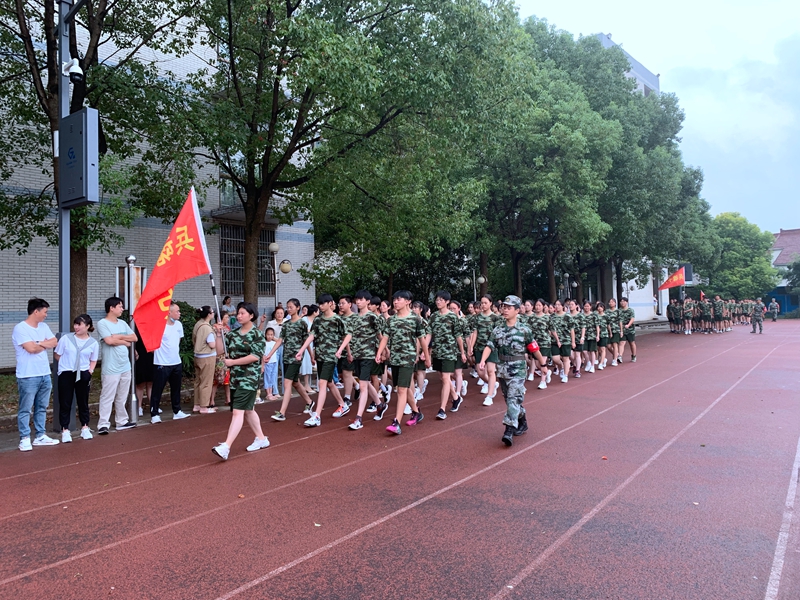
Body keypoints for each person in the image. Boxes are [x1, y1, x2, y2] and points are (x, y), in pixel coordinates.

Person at [478, 295, 541, 447]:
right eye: (504, 307)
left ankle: (509, 430)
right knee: (510, 400)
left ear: (517, 310)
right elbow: (490, 345)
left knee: (513, 399)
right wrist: (482, 360)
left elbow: (533, 347)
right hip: (503, 369)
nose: (505, 310)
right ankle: (522, 421)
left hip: (518, 369)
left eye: (509, 307)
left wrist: (543, 364)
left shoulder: (524, 330)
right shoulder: (498, 329)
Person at [212, 302, 270, 460]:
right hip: (235, 378)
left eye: (243, 313)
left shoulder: (257, 335)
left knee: (238, 412)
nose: (239, 315)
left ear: (251, 315)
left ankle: (226, 446)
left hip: (249, 378)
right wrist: (218, 335)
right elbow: (219, 351)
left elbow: (255, 357)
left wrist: (233, 362)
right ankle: (262, 438)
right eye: (238, 313)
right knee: (249, 410)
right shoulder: (232, 334)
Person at [375, 290, 429, 435]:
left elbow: (422, 339)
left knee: (401, 390)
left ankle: (396, 422)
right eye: (394, 299)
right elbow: (385, 337)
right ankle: (417, 413)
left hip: (408, 358)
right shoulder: (391, 320)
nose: (395, 302)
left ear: (408, 301)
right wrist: (379, 352)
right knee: (401, 387)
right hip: (395, 358)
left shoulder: (415, 319)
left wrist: (427, 357)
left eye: (399, 299)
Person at [296, 294, 352, 427]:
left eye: (323, 303)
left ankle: (316, 416)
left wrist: (341, 350)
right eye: (319, 304)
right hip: (320, 355)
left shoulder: (337, 319)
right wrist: (301, 350)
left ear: (330, 303)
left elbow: (348, 335)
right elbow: (312, 336)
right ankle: (343, 405)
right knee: (329, 383)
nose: (320, 306)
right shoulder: (318, 320)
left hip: (331, 356)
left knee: (322, 383)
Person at [13, 298, 60, 451]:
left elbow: (54, 342)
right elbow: (30, 349)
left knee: (42, 407)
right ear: (36, 311)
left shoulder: (44, 326)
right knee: (25, 408)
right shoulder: (20, 328)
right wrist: (42, 344)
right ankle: (25, 438)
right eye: (45, 312)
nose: (46, 315)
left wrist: (38, 343)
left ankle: (40, 435)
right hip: (27, 375)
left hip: (45, 373)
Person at [268, 298, 315, 421]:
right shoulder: (286, 324)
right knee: (295, 382)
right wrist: (270, 354)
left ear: (298, 308)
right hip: (286, 356)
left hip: (297, 357)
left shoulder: (302, 323)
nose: (288, 309)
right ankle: (309, 402)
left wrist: (311, 356)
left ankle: (282, 412)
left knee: (287, 382)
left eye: (291, 307)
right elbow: (280, 340)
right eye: (287, 307)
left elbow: (307, 341)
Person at [97, 296, 138, 435]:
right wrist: (125, 342)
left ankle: (122, 421)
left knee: (122, 395)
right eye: (120, 306)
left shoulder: (122, 323)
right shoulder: (102, 323)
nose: (122, 309)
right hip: (111, 367)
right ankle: (103, 424)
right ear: (111, 308)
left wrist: (118, 337)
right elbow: (109, 341)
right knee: (107, 395)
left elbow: (134, 338)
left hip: (125, 365)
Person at [54, 314, 99, 442]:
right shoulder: (66, 339)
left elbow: (93, 359)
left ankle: (85, 427)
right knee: (65, 401)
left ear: (88, 326)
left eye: (79, 324)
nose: (76, 327)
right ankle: (65, 430)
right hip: (67, 372)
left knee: (83, 401)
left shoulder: (93, 343)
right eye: (75, 324)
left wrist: (90, 371)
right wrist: (66, 364)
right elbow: (57, 354)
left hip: (83, 373)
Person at [348, 290, 385, 430]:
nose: (358, 302)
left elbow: (380, 336)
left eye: (361, 299)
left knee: (363, 386)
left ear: (368, 301)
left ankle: (358, 418)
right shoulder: (354, 318)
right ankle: (380, 404)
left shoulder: (372, 317)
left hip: (368, 355)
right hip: (357, 355)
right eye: (357, 299)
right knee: (365, 382)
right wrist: (349, 352)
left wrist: (383, 351)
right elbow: (350, 336)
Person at [150, 301, 191, 423]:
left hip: (176, 362)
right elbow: (152, 345)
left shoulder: (178, 325)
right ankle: (154, 413)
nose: (179, 313)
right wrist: (160, 355)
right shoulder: (159, 326)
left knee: (176, 388)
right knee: (158, 389)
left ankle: (177, 411)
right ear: (169, 312)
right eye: (177, 311)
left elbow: (177, 341)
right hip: (162, 363)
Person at [428, 290, 465, 419]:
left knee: (445, 378)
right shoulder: (433, 316)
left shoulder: (453, 317)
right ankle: (455, 397)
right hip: (437, 351)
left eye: (441, 300)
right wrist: (425, 352)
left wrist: (463, 352)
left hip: (450, 352)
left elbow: (458, 336)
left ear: (447, 302)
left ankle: (442, 409)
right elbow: (429, 334)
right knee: (443, 377)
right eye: (437, 299)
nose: (438, 302)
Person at [469, 294, 500, 405]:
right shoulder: (477, 317)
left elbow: (498, 333)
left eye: (485, 302)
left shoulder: (496, 317)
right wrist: (471, 346)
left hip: (491, 347)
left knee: (491, 371)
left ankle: (489, 396)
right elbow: (474, 332)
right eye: (482, 303)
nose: (483, 305)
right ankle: (492, 384)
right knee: (480, 371)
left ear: (491, 303)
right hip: (479, 347)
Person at [192, 306, 218, 414]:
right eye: (212, 312)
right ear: (209, 314)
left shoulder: (198, 324)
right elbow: (212, 344)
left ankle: (197, 404)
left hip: (197, 356)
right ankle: (204, 406)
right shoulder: (207, 328)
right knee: (206, 382)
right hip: (207, 356)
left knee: (198, 381)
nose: (213, 313)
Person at [211, 313, 231, 408]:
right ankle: (212, 400)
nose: (228, 319)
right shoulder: (214, 329)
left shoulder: (226, 328)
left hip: (226, 356)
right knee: (215, 380)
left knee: (227, 379)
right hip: (217, 357)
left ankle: (228, 399)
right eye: (226, 317)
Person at [134, 325, 154, 416]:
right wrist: (133, 350)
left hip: (150, 355)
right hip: (139, 356)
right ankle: (138, 407)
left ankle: (153, 406)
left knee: (150, 382)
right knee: (140, 383)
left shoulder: (151, 326)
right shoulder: (134, 326)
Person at [300, 305, 318, 394]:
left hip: (310, 344)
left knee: (308, 364)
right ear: (314, 312)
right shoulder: (304, 319)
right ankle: (305, 385)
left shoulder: (315, 321)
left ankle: (307, 384)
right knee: (304, 364)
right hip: (304, 344)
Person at [262, 328, 280, 401]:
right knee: (267, 378)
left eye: (271, 335)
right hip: (267, 363)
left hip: (274, 362)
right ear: (265, 335)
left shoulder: (274, 343)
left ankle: (271, 393)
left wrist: (274, 338)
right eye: (268, 334)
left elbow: (280, 341)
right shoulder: (264, 343)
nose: (269, 336)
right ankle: (268, 393)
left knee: (272, 378)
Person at [618, 297, 636, 363]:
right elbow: (619, 320)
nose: (622, 302)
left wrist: (628, 325)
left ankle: (634, 355)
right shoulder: (619, 311)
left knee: (632, 343)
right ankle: (620, 356)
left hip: (630, 329)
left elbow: (632, 318)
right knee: (622, 342)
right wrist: (621, 329)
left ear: (627, 302)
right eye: (621, 301)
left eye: (624, 301)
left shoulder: (630, 310)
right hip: (622, 329)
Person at [581, 300, 598, 373]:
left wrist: (597, 335)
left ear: (590, 307)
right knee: (584, 351)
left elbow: (597, 325)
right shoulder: (581, 315)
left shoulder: (594, 315)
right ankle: (588, 362)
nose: (586, 307)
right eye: (585, 306)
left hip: (592, 335)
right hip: (584, 335)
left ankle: (592, 366)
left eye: (588, 306)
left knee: (592, 351)